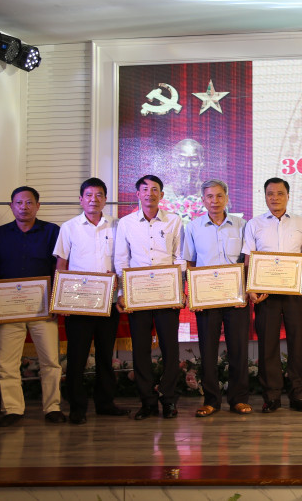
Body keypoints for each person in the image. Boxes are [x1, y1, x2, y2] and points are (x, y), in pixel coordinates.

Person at [0, 186, 64, 427]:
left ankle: (52, 407)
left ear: (38, 206)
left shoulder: (52, 231)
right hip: (8, 309)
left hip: (43, 308)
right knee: (7, 362)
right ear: (11, 206)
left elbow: (60, 267)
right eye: (19, 203)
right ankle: (13, 409)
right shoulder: (0, 234)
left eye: (29, 202)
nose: (24, 207)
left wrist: (56, 300)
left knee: (50, 361)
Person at [53, 177, 128, 424]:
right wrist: (60, 300)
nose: (93, 200)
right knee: (77, 356)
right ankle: (77, 407)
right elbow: (61, 264)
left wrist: (119, 288)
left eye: (98, 195)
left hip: (108, 302)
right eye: (89, 195)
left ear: (105, 199)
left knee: (106, 355)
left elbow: (123, 260)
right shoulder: (69, 227)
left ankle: (105, 403)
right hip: (78, 302)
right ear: (81, 199)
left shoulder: (117, 226)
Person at [114, 174, 184, 420]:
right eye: (145, 189)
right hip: (138, 295)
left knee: (170, 349)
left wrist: (179, 289)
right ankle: (147, 402)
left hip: (167, 293)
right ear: (138, 194)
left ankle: (169, 399)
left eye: (155, 189)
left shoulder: (174, 220)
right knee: (141, 350)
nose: (150, 193)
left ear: (161, 195)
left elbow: (179, 257)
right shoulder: (126, 223)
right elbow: (121, 259)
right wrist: (122, 293)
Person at [242, 177, 302, 413]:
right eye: (270, 194)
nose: (275, 198)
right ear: (264, 196)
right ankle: (271, 396)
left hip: (294, 291)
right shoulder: (254, 224)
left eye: (280, 193)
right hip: (266, 293)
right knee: (268, 344)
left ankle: (298, 394)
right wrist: (251, 288)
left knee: (297, 343)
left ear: (288, 196)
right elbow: (248, 259)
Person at [183, 179, 250, 417]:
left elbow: (248, 260)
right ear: (203, 200)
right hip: (207, 299)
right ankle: (211, 400)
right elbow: (189, 262)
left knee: (238, 350)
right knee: (208, 350)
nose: (215, 201)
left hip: (236, 297)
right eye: (210, 197)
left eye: (219, 196)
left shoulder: (242, 225)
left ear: (227, 198)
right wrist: (193, 295)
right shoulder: (193, 227)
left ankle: (238, 399)